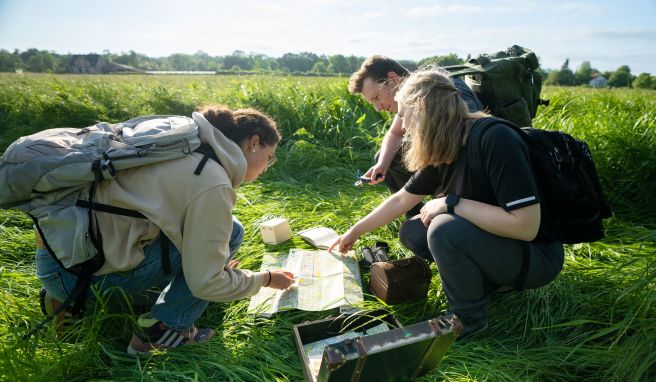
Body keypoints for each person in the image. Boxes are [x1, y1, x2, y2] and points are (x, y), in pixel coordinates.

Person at [35, 104, 295, 353]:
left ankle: (64, 298)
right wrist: (265, 279)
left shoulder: (179, 144)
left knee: (226, 234)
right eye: (269, 157)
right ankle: (160, 332)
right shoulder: (212, 180)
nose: (266, 167)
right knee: (233, 234)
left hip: (58, 252)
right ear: (253, 143)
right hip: (82, 276)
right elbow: (206, 284)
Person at [331, 68, 564, 339]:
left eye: (405, 115)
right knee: (413, 231)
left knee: (442, 228)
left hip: (536, 256)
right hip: (501, 242)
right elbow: (402, 200)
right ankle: (488, 284)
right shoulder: (445, 143)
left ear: (422, 108)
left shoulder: (495, 139)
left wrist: (452, 203)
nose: (403, 127)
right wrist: (354, 232)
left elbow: (526, 226)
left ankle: (469, 319)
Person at [348, 55, 484, 216]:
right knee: (385, 157)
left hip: (466, 172)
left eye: (376, 97)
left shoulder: (443, 90)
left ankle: (442, 213)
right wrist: (382, 165)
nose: (378, 108)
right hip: (440, 162)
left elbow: (467, 144)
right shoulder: (411, 97)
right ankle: (415, 216)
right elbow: (394, 133)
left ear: (392, 79)